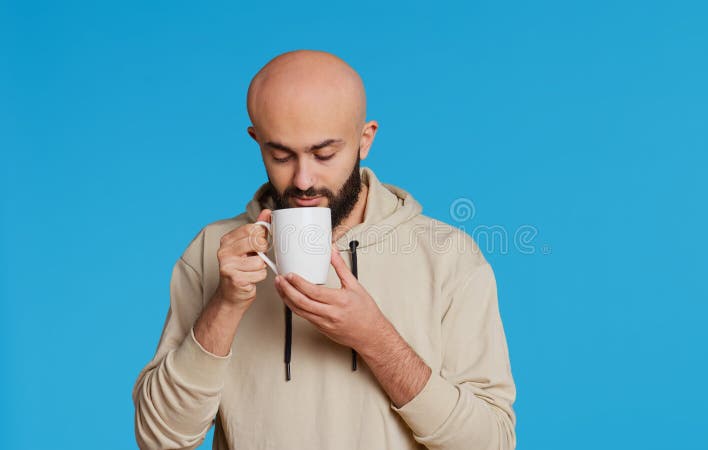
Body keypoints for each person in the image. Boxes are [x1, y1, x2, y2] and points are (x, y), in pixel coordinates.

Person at [132, 50, 516, 450]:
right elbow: (162, 440)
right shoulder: (214, 253)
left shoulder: (449, 257)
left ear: (365, 139)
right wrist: (225, 305)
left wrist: (376, 340)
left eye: (324, 154)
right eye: (280, 155)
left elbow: (491, 443)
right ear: (257, 141)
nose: (302, 180)